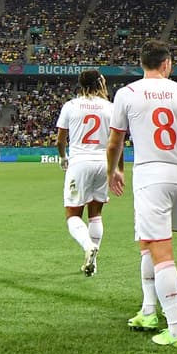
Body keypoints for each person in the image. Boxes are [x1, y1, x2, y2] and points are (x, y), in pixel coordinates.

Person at [105, 40, 177, 346]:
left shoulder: (127, 93)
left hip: (150, 177)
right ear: (167, 64)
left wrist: (113, 171)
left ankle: (176, 329)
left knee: (161, 251)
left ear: (142, 63)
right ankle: (149, 309)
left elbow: (114, 142)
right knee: (148, 241)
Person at [56, 69, 112, 275]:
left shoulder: (71, 106)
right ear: (100, 83)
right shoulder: (110, 107)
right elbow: (116, 141)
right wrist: (117, 169)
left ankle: (89, 246)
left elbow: (60, 140)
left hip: (80, 162)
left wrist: (63, 157)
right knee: (96, 214)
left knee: (73, 214)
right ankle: (93, 263)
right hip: (103, 163)